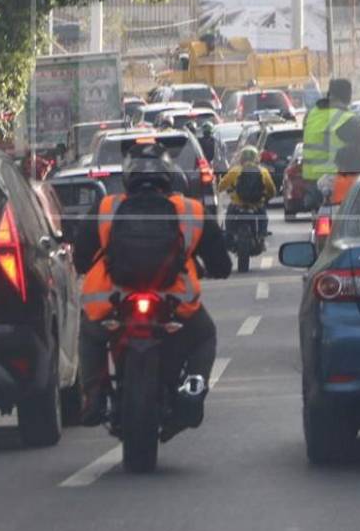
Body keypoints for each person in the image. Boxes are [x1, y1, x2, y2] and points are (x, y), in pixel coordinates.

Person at [73, 142, 232, 436]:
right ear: (168, 176)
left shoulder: (107, 207)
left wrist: (86, 265)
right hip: (175, 302)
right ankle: (193, 389)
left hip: (114, 300)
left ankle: (93, 397)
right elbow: (220, 262)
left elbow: (80, 256)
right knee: (204, 336)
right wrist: (217, 269)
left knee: (91, 333)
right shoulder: (191, 209)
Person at [301, 78, 360, 209]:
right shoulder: (346, 118)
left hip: (310, 178)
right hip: (335, 177)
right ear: (347, 96)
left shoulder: (311, 114)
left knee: (319, 218)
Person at [218, 145, 276, 239]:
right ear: (256, 158)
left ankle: (229, 235)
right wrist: (267, 197)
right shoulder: (263, 171)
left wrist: (224, 190)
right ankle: (262, 234)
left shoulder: (235, 171)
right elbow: (271, 189)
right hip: (256, 204)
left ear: (242, 158)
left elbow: (221, 186)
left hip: (238, 204)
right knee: (263, 218)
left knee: (229, 217)